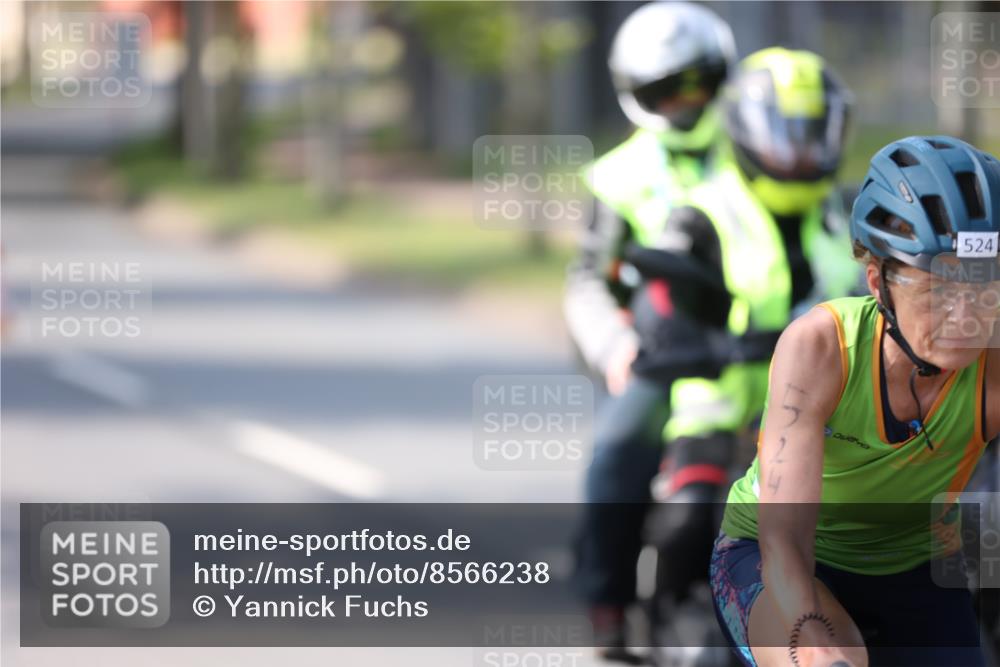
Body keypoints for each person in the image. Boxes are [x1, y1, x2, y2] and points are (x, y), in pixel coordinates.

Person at [573, 44, 861, 661]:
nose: (801, 151)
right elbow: (655, 297)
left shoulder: (852, 211)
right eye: (786, 135)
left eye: (814, 134)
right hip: (718, 409)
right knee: (669, 509)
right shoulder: (699, 212)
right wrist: (659, 337)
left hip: (837, 420)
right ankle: (616, 610)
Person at [710, 134, 1000, 667]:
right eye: (938, 289)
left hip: (916, 566)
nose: (967, 317)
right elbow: (786, 540)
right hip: (783, 560)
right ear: (878, 283)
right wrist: (819, 650)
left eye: (986, 288)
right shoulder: (820, 348)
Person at [565, 3, 735, 659]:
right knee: (617, 450)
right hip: (663, 353)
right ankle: (608, 609)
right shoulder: (619, 176)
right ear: (637, 93)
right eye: (668, 88)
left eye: (698, 81)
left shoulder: (757, 147)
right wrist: (617, 344)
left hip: (760, 342)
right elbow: (588, 278)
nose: (687, 101)